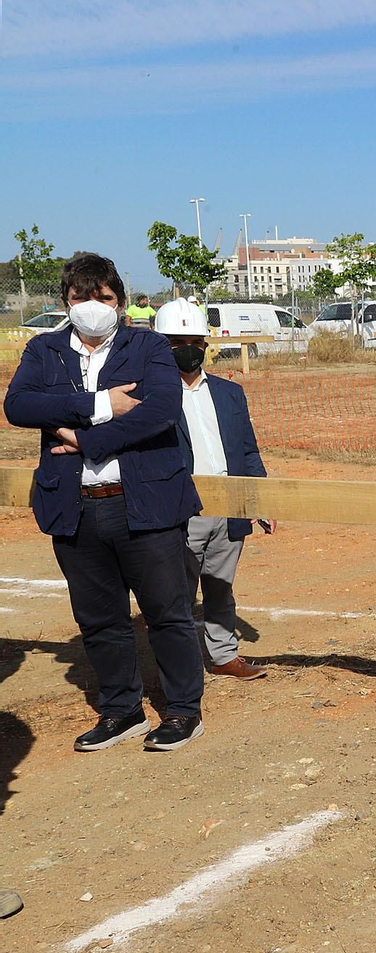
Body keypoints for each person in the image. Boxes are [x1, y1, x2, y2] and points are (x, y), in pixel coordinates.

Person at [3, 254, 207, 751]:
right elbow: (19, 406)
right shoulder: (44, 349)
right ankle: (122, 710)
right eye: (80, 298)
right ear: (65, 302)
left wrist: (84, 438)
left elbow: (160, 410)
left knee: (167, 612)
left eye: (105, 298)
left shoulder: (149, 346)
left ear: (118, 299)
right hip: (75, 506)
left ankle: (182, 710)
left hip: (146, 501)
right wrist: (101, 405)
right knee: (98, 618)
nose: (93, 307)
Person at [160, 299, 272, 682]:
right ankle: (183, 667)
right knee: (177, 594)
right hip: (179, 510)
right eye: (177, 342)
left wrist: (259, 499)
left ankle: (224, 656)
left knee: (221, 589)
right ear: (161, 345)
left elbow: (247, 449)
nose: (187, 349)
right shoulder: (151, 398)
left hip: (229, 508)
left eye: (195, 340)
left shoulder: (229, 393)